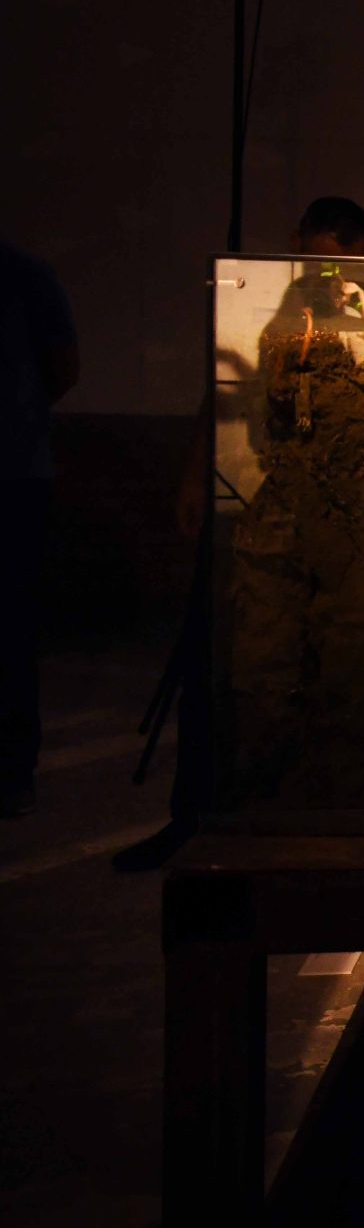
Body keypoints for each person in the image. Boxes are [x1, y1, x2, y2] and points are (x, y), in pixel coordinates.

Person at [117, 197, 364, 869]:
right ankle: (198, 819)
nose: (329, 277)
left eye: (342, 266)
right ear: (298, 244)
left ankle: (292, 817)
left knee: (306, 671)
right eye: (319, 261)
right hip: (252, 502)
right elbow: (225, 384)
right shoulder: (258, 300)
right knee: (217, 663)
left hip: (323, 517)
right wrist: (195, 476)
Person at [1, 243, 79, 818]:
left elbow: (62, 369)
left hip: (16, 471)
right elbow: (62, 369)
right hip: (18, 467)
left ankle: (12, 768)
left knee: (11, 623)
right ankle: (12, 770)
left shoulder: (23, 274)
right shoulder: (24, 273)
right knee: (12, 624)